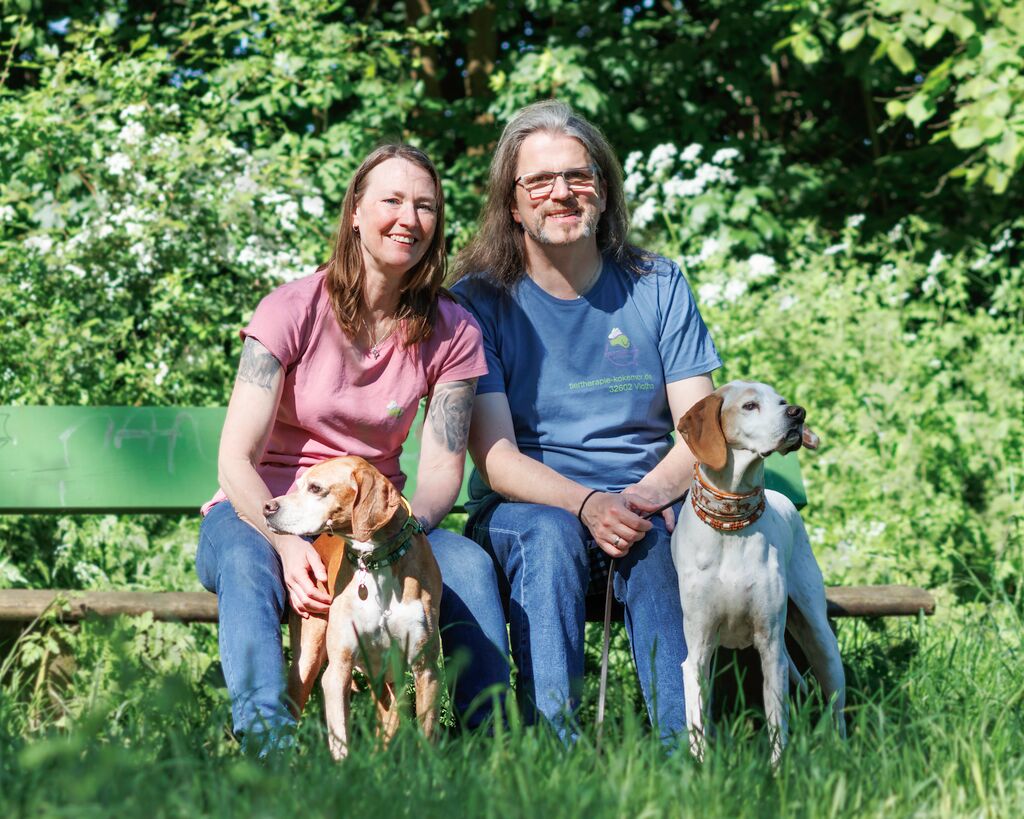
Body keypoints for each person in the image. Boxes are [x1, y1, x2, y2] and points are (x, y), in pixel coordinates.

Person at [195, 144, 507, 752]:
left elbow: (441, 471)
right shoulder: (290, 309)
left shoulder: (453, 329)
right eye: (392, 201)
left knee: (468, 566)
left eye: (425, 206)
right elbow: (235, 460)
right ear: (356, 213)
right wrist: (288, 545)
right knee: (245, 564)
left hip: (372, 518)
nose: (409, 218)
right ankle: (268, 746)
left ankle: (489, 750)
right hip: (262, 512)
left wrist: (396, 536)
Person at [448, 100, 722, 740]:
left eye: (578, 175)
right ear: (511, 204)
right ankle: (554, 754)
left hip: (642, 501)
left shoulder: (656, 284)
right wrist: (588, 504)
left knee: (659, 538)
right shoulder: (477, 302)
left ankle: (687, 757)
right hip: (526, 514)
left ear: (604, 187)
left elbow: (702, 430)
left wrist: (641, 499)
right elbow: (497, 459)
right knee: (549, 536)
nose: (562, 193)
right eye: (540, 180)